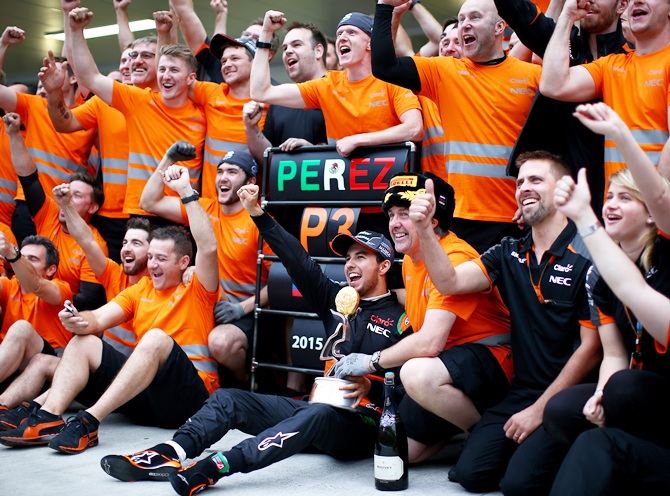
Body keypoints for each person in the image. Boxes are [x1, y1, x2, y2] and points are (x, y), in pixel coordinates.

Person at [99, 182, 412, 495]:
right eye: (347, 258)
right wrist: (259, 215)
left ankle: (218, 466)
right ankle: (171, 453)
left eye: (361, 258)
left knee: (317, 413)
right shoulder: (337, 300)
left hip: (362, 422)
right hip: (318, 407)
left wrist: (372, 386)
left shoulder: (402, 319)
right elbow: (296, 259)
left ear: (384, 265)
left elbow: (408, 391)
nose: (350, 265)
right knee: (229, 398)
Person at [0, 142, 221, 454]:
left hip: (190, 400)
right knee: (85, 339)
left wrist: (185, 190)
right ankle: (48, 418)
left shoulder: (197, 287)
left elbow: (208, 247)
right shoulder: (138, 290)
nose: (153, 264)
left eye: (161, 258)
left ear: (184, 263)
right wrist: (78, 321)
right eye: (152, 257)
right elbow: (99, 318)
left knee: (156, 338)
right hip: (146, 398)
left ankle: (88, 421)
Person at [409, 151, 601, 494]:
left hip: (570, 397)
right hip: (521, 391)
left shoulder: (590, 253)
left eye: (536, 180)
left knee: (518, 484)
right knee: (469, 475)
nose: (524, 187)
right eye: (520, 182)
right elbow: (450, 282)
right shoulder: (508, 251)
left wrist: (540, 411)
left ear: (563, 191)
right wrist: (425, 230)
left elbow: (591, 350)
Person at [334, 171, 512, 463]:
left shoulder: (453, 256)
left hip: (493, 361)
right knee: (404, 452)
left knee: (415, 373)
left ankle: (487, 437)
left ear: (432, 218)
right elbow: (419, 310)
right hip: (448, 368)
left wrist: (370, 361)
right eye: (391, 214)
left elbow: (429, 343)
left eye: (404, 213)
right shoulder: (409, 261)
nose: (394, 223)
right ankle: (457, 423)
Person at [372, 0, 541, 254]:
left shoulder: (532, 76)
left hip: (517, 219)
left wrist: (534, 197)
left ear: (499, 27)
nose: (464, 25)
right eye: (461, 19)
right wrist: (385, 7)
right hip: (461, 219)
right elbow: (384, 66)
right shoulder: (443, 71)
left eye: (474, 17)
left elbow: (549, 146)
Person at [551, 161, 670, 496]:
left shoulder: (665, 254)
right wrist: (599, 396)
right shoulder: (597, 274)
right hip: (634, 388)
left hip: (652, 391)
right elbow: (615, 353)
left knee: (625, 388)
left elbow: (636, 291)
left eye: (626, 198)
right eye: (609, 196)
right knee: (563, 410)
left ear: (652, 214)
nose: (611, 204)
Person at [140, 147, 270, 385]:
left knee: (221, 343)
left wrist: (241, 308)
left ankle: (243, 383)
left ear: (251, 181)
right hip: (205, 301)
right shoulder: (204, 208)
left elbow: (280, 281)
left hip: (244, 311)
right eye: (220, 172)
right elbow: (148, 201)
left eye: (232, 172)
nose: (223, 177)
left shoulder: (258, 219)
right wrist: (168, 158)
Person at [65, 7, 206, 218]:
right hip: (141, 212)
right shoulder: (139, 100)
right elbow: (90, 77)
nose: (166, 76)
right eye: (162, 70)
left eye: (174, 70)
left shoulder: (203, 114)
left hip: (182, 213)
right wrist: (76, 31)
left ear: (191, 78)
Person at [500, 0, 630, 214]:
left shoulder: (633, 55)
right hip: (562, 194)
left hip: (618, 192)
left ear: (622, 5)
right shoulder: (561, 44)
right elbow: (516, 11)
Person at [250, 10, 423, 158]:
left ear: (370, 42)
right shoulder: (328, 85)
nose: (342, 38)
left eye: (351, 33)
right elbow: (261, 92)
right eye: (339, 34)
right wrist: (266, 34)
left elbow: (415, 129)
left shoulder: (392, 81)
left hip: (390, 188)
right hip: (344, 191)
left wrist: (357, 140)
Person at [540, 0, 670, 181]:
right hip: (617, 204)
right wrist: (567, 17)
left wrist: (658, 202)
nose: (636, 1)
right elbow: (552, 85)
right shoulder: (612, 65)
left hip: (655, 204)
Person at [3, 112, 108, 310]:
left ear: (93, 207)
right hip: (20, 304)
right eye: (67, 191)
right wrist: (15, 135)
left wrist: (50, 297)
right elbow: (29, 178)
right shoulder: (50, 213)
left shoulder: (95, 246)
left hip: (59, 316)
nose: (66, 197)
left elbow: (91, 300)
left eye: (77, 196)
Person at [243, 20, 328, 166]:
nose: (288, 51)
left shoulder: (339, 90)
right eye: (284, 48)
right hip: (285, 188)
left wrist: (314, 151)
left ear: (318, 51)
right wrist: (251, 128)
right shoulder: (279, 100)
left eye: (296, 45)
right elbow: (269, 159)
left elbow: (352, 146)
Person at [0, 234, 73, 390]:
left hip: (50, 365)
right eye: (22, 257)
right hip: (10, 364)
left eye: (31, 259)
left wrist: (13, 255)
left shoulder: (61, 288)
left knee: (22, 328)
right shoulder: (9, 285)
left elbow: (36, 285)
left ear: (51, 269)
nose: (23, 263)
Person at [170, 0, 278, 83]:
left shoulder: (272, 93)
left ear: (268, 54)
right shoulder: (210, 89)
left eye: (255, 38)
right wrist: (221, 14)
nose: (247, 40)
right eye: (246, 34)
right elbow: (183, 11)